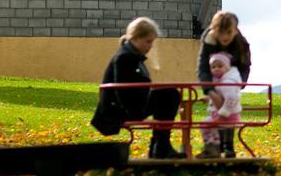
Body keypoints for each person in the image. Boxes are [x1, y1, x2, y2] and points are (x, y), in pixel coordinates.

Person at [91, 17, 186, 159]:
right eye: (148, 41)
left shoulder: (132, 56)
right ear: (135, 38)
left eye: (152, 42)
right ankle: (161, 147)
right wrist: (138, 114)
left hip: (131, 105)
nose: (150, 46)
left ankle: (161, 146)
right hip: (120, 110)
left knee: (170, 94)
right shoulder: (124, 57)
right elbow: (121, 92)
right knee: (170, 95)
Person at [197, 11, 251, 110]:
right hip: (214, 80)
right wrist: (210, 91)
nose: (225, 36)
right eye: (221, 31)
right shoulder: (208, 42)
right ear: (214, 30)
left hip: (232, 82)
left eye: (229, 32)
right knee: (214, 113)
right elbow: (203, 68)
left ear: (235, 30)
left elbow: (244, 67)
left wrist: (237, 86)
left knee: (229, 115)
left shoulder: (242, 44)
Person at [196, 52, 243, 159]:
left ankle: (214, 148)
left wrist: (222, 115)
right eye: (213, 67)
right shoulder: (220, 80)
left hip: (228, 116)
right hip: (221, 115)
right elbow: (221, 96)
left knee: (206, 125)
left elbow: (231, 99)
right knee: (206, 125)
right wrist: (208, 98)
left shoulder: (227, 82)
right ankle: (215, 147)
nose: (216, 69)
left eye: (220, 66)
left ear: (227, 67)